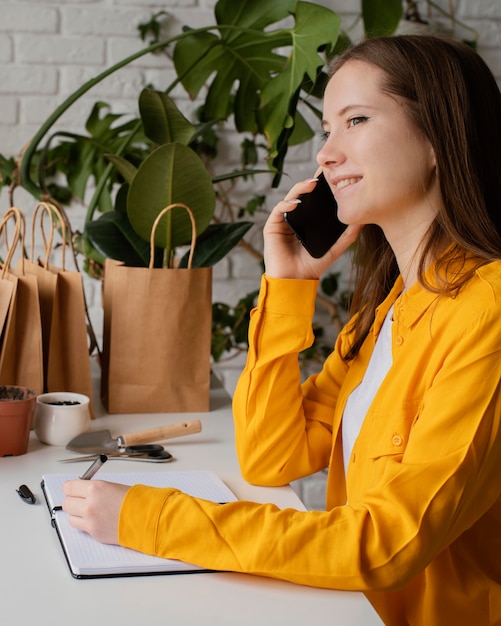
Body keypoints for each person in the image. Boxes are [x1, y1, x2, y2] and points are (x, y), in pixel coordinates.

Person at [62, 35, 501, 625]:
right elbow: (271, 456)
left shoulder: (487, 313)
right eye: (327, 129)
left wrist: (153, 519)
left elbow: (385, 543)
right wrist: (289, 285)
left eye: (356, 120)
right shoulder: (394, 303)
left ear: (438, 138)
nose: (326, 153)